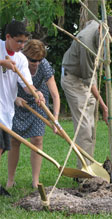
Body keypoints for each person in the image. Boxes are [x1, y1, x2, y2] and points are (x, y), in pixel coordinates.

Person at [61, 16, 112, 169]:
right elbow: (89, 80)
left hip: (86, 78)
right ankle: (84, 173)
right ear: (101, 30)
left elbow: (89, 22)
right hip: (73, 79)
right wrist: (104, 106)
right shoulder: (86, 44)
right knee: (84, 128)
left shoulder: (96, 25)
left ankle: (88, 165)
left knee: (91, 127)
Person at [6, 39, 60, 189]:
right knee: (14, 141)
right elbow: (5, 85)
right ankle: (10, 180)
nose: (36, 63)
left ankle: (35, 181)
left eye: (39, 60)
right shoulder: (16, 61)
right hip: (16, 99)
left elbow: (55, 95)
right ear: (25, 56)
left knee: (37, 139)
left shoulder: (44, 65)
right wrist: (15, 98)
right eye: (32, 60)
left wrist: (55, 119)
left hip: (38, 101)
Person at [0, 21, 44, 195]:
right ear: (8, 37)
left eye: (24, 42)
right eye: (18, 41)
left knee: (2, 148)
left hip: (5, 110)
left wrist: (36, 93)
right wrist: (2, 62)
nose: (22, 46)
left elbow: (27, 85)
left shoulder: (21, 60)